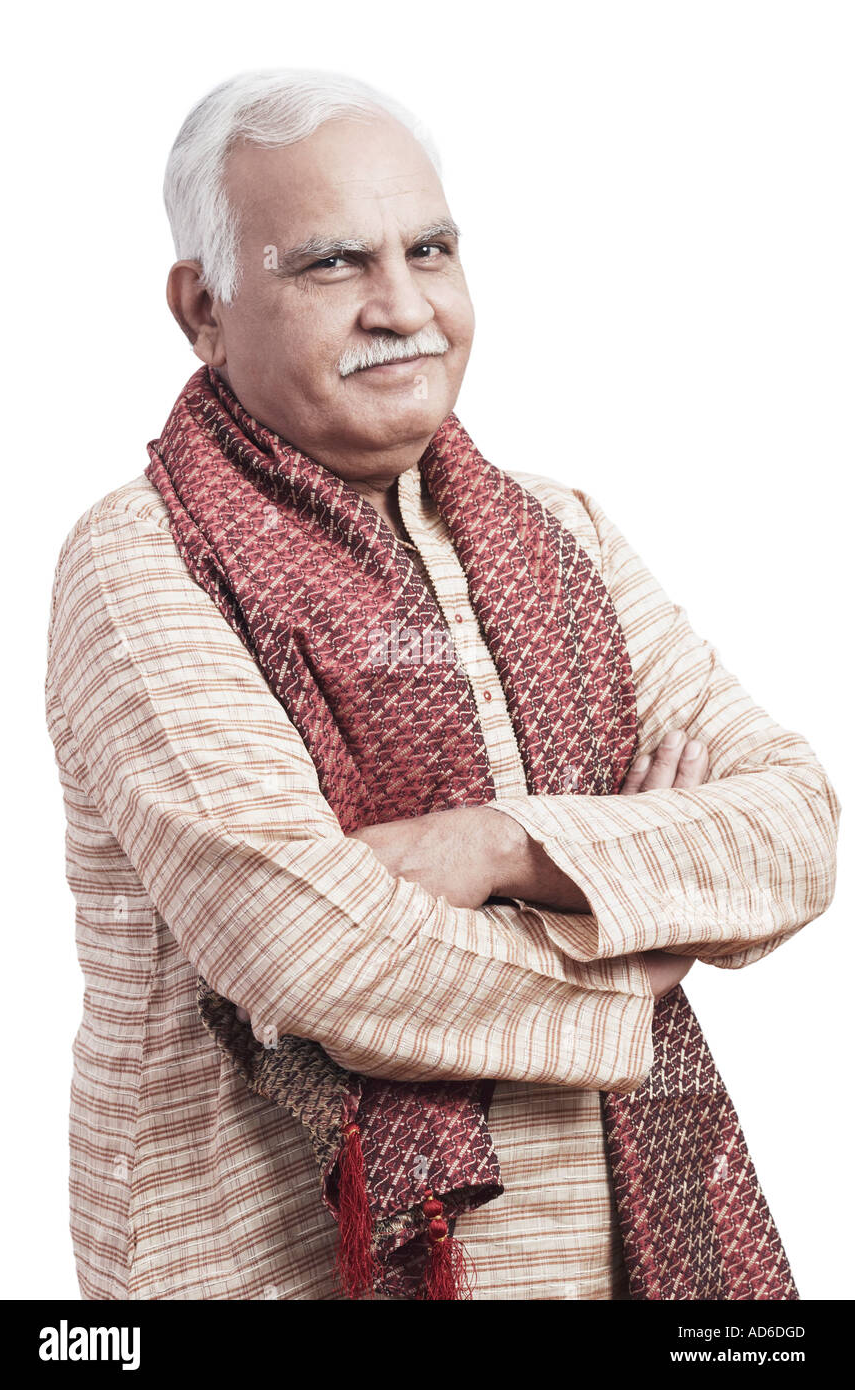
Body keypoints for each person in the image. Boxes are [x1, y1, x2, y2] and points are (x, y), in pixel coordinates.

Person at [44, 69, 839, 1301]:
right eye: (331, 265)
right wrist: (637, 941)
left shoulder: (557, 532)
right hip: (276, 1264)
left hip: (618, 1260)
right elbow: (315, 952)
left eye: (430, 248)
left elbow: (792, 831)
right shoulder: (139, 561)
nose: (401, 305)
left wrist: (502, 849)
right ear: (203, 308)